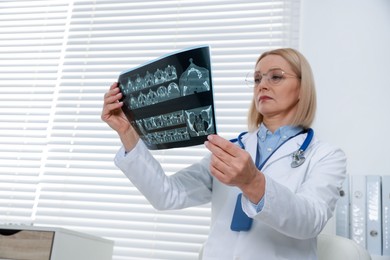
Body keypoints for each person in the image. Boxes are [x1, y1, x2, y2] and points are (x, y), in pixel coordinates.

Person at [101, 48, 347, 260]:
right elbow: (167, 195)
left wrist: (253, 182)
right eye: (257, 78)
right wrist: (127, 132)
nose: (262, 84)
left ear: (303, 88)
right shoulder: (231, 150)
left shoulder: (325, 155)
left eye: (276, 77)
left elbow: (311, 221)